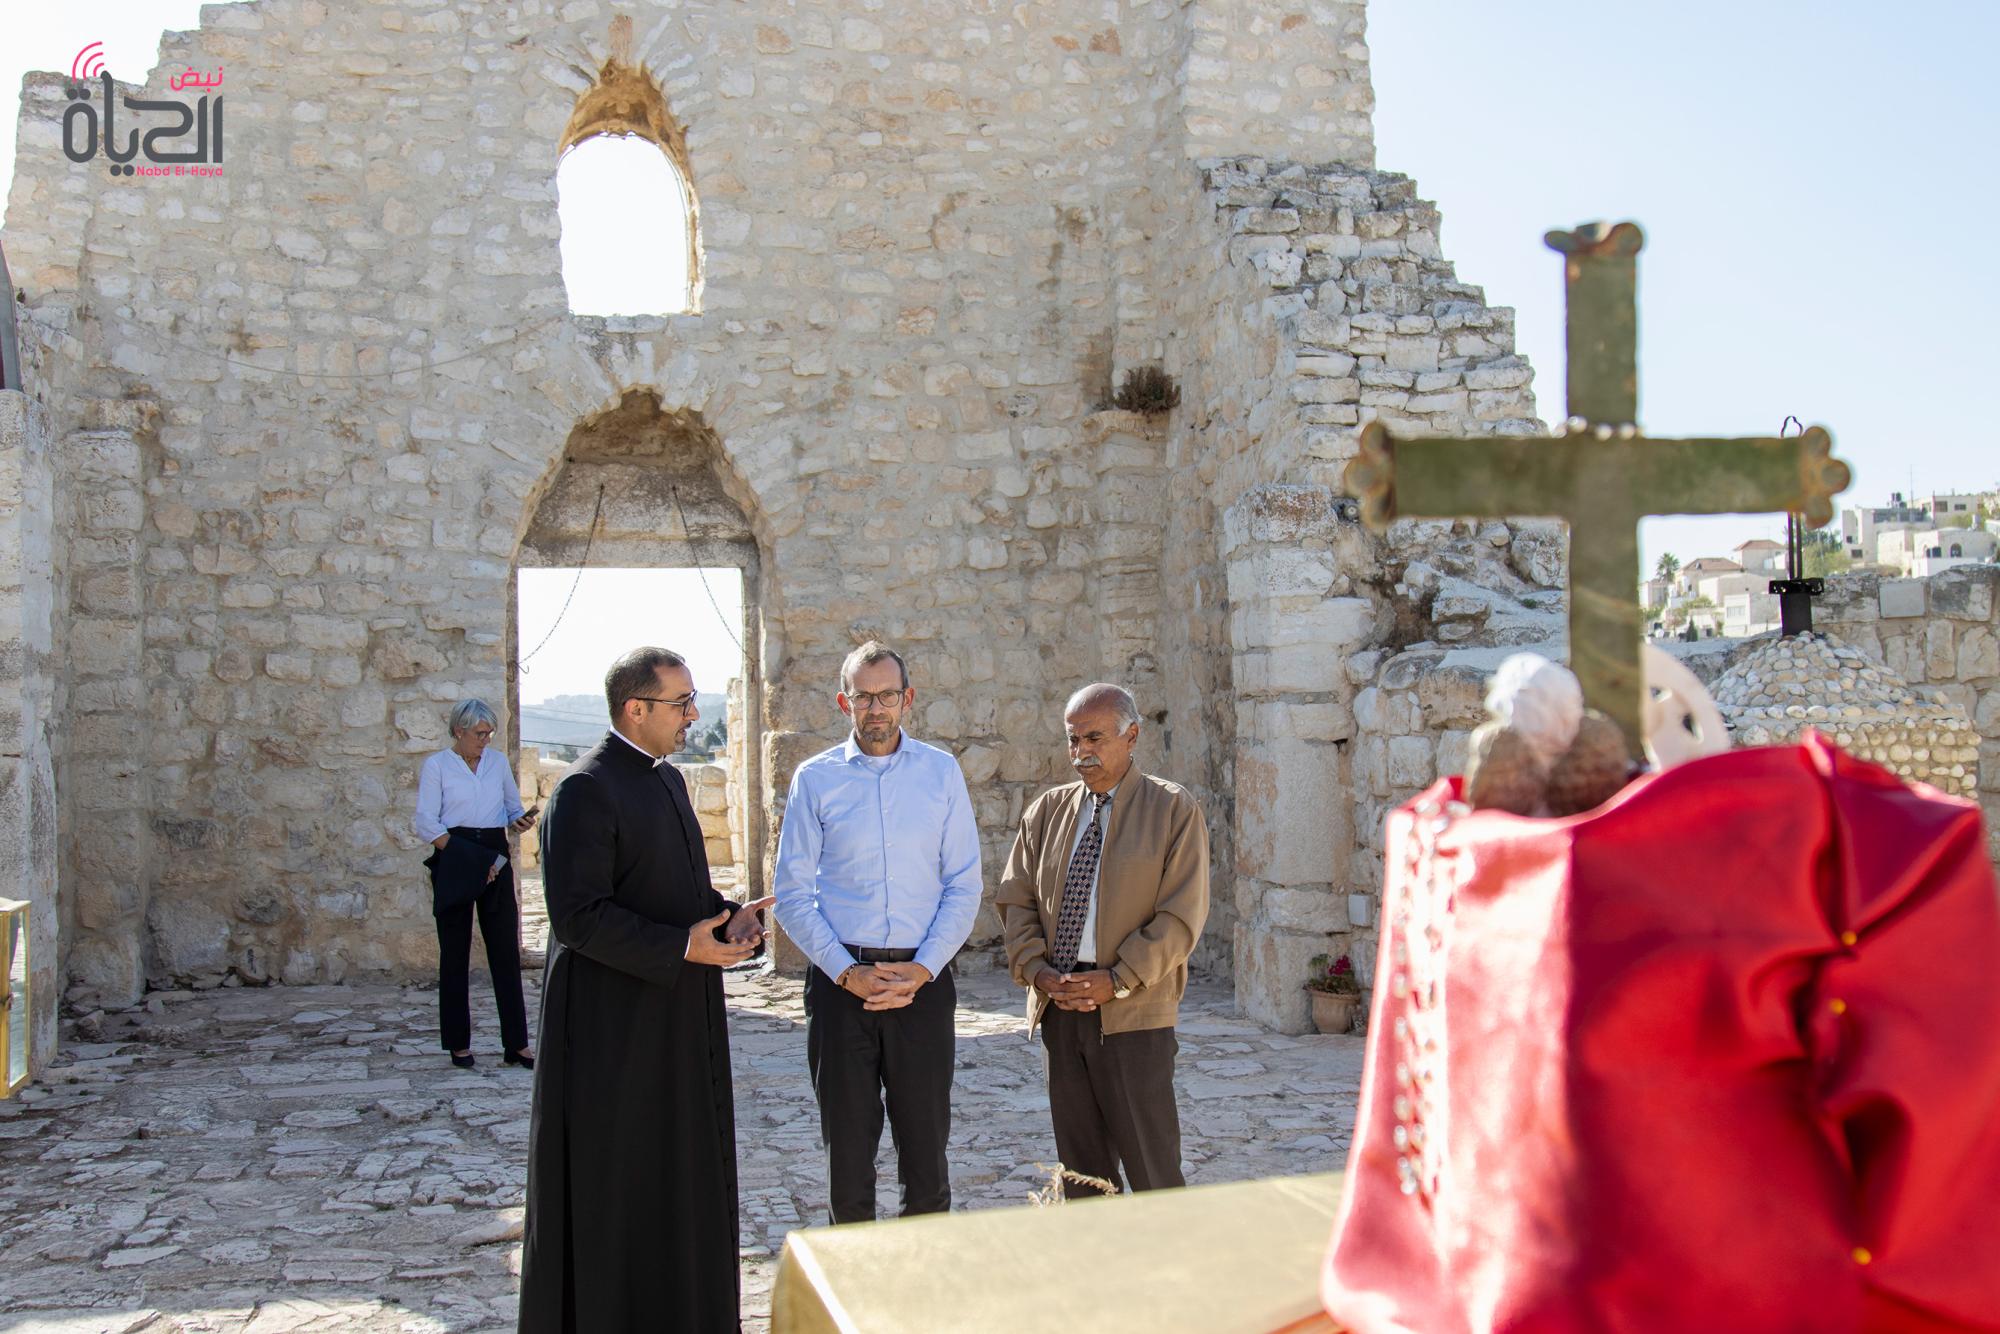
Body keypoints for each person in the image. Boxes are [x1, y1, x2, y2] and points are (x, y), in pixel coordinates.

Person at [517, 647, 772, 1334]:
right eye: (681, 702)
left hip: (674, 1020)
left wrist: (728, 915)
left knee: (676, 1178)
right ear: (636, 709)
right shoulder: (585, 789)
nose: (694, 715)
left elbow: (673, 891)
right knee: (618, 1187)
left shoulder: (664, 782)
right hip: (612, 1035)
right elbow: (576, 917)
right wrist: (681, 946)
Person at [773, 641, 983, 1224]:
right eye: (863, 697)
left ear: (907, 700)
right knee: (848, 1159)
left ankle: (920, 1294)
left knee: (926, 1156)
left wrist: (922, 969)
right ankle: (856, 1295)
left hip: (923, 987)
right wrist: (847, 972)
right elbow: (791, 894)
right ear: (844, 702)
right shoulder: (814, 780)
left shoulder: (941, 774)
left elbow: (964, 885)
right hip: (842, 990)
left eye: (887, 695)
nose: (875, 709)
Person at [996, 682, 1210, 1199]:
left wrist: (1115, 981)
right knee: (1083, 1173)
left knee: (1154, 1167)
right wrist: (1038, 971)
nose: (1081, 752)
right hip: (1062, 1010)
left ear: (1131, 735)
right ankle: (1100, 1272)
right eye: (1073, 740)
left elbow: (1181, 917)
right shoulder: (1047, 812)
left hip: (1135, 1015)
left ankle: (1172, 1274)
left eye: (1093, 737)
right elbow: (1015, 899)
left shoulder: (1172, 810)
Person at [412, 698, 538, 1070]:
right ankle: (458, 1043)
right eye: (479, 733)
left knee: (504, 951)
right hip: (455, 854)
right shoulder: (437, 766)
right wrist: (471, 861)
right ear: (459, 731)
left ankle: (516, 1044)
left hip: (494, 854)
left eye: (490, 733)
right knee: (455, 951)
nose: (485, 740)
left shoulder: (497, 762)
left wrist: (519, 821)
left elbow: (511, 807)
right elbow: (426, 824)